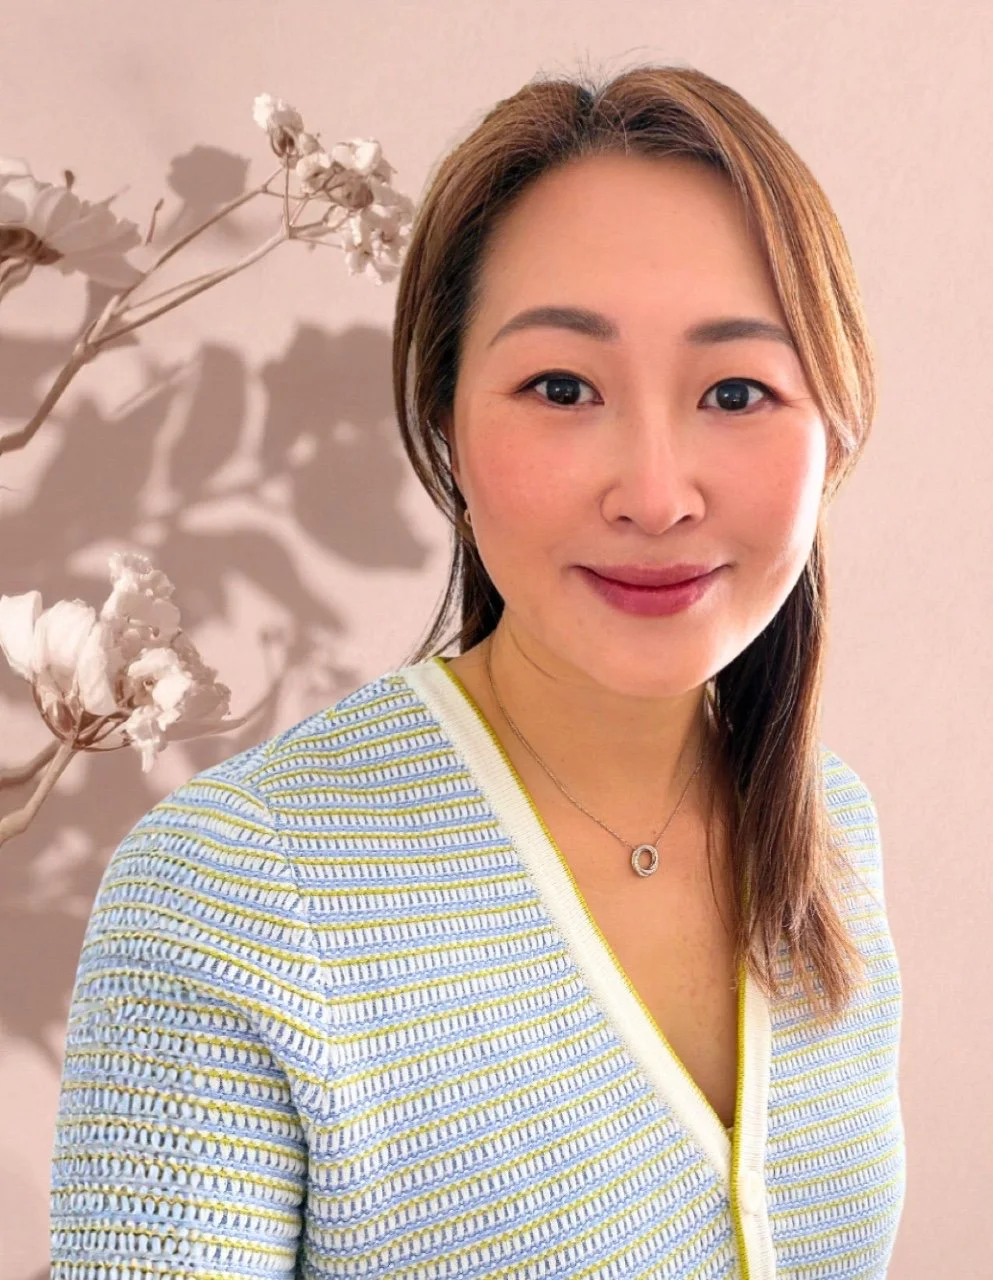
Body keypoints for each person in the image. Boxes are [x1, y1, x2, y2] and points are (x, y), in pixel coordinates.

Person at [48, 62, 904, 1279]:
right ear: (445, 420)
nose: (655, 495)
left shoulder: (830, 836)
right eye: (561, 386)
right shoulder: (233, 898)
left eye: (735, 390)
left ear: (835, 428)